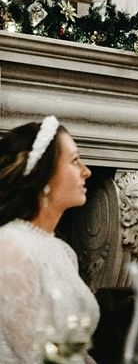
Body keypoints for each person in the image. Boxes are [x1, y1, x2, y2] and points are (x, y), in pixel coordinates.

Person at [0, 116, 99, 363]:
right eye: (75, 161)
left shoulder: (63, 251)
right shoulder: (9, 246)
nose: (86, 171)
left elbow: (78, 354)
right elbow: (36, 355)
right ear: (43, 175)